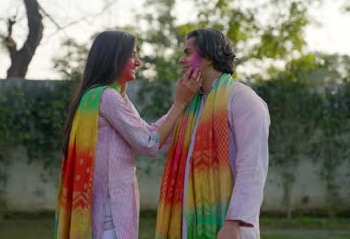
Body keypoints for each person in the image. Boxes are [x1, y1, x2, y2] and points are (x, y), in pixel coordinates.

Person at [54, 30, 201, 239]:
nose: (139, 62)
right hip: (108, 216)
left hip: (106, 212)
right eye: (133, 55)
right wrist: (181, 103)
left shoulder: (107, 96)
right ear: (115, 58)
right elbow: (149, 143)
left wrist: (184, 106)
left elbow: (149, 134)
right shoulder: (107, 97)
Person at [155, 28, 270, 239]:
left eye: (188, 53)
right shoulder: (190, 104)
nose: (181, 60)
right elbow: (152, 140)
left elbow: (252, 166)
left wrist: (234, 222)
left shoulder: (243, 100)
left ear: (208, 57)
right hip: (188, 223)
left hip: (230, 227)